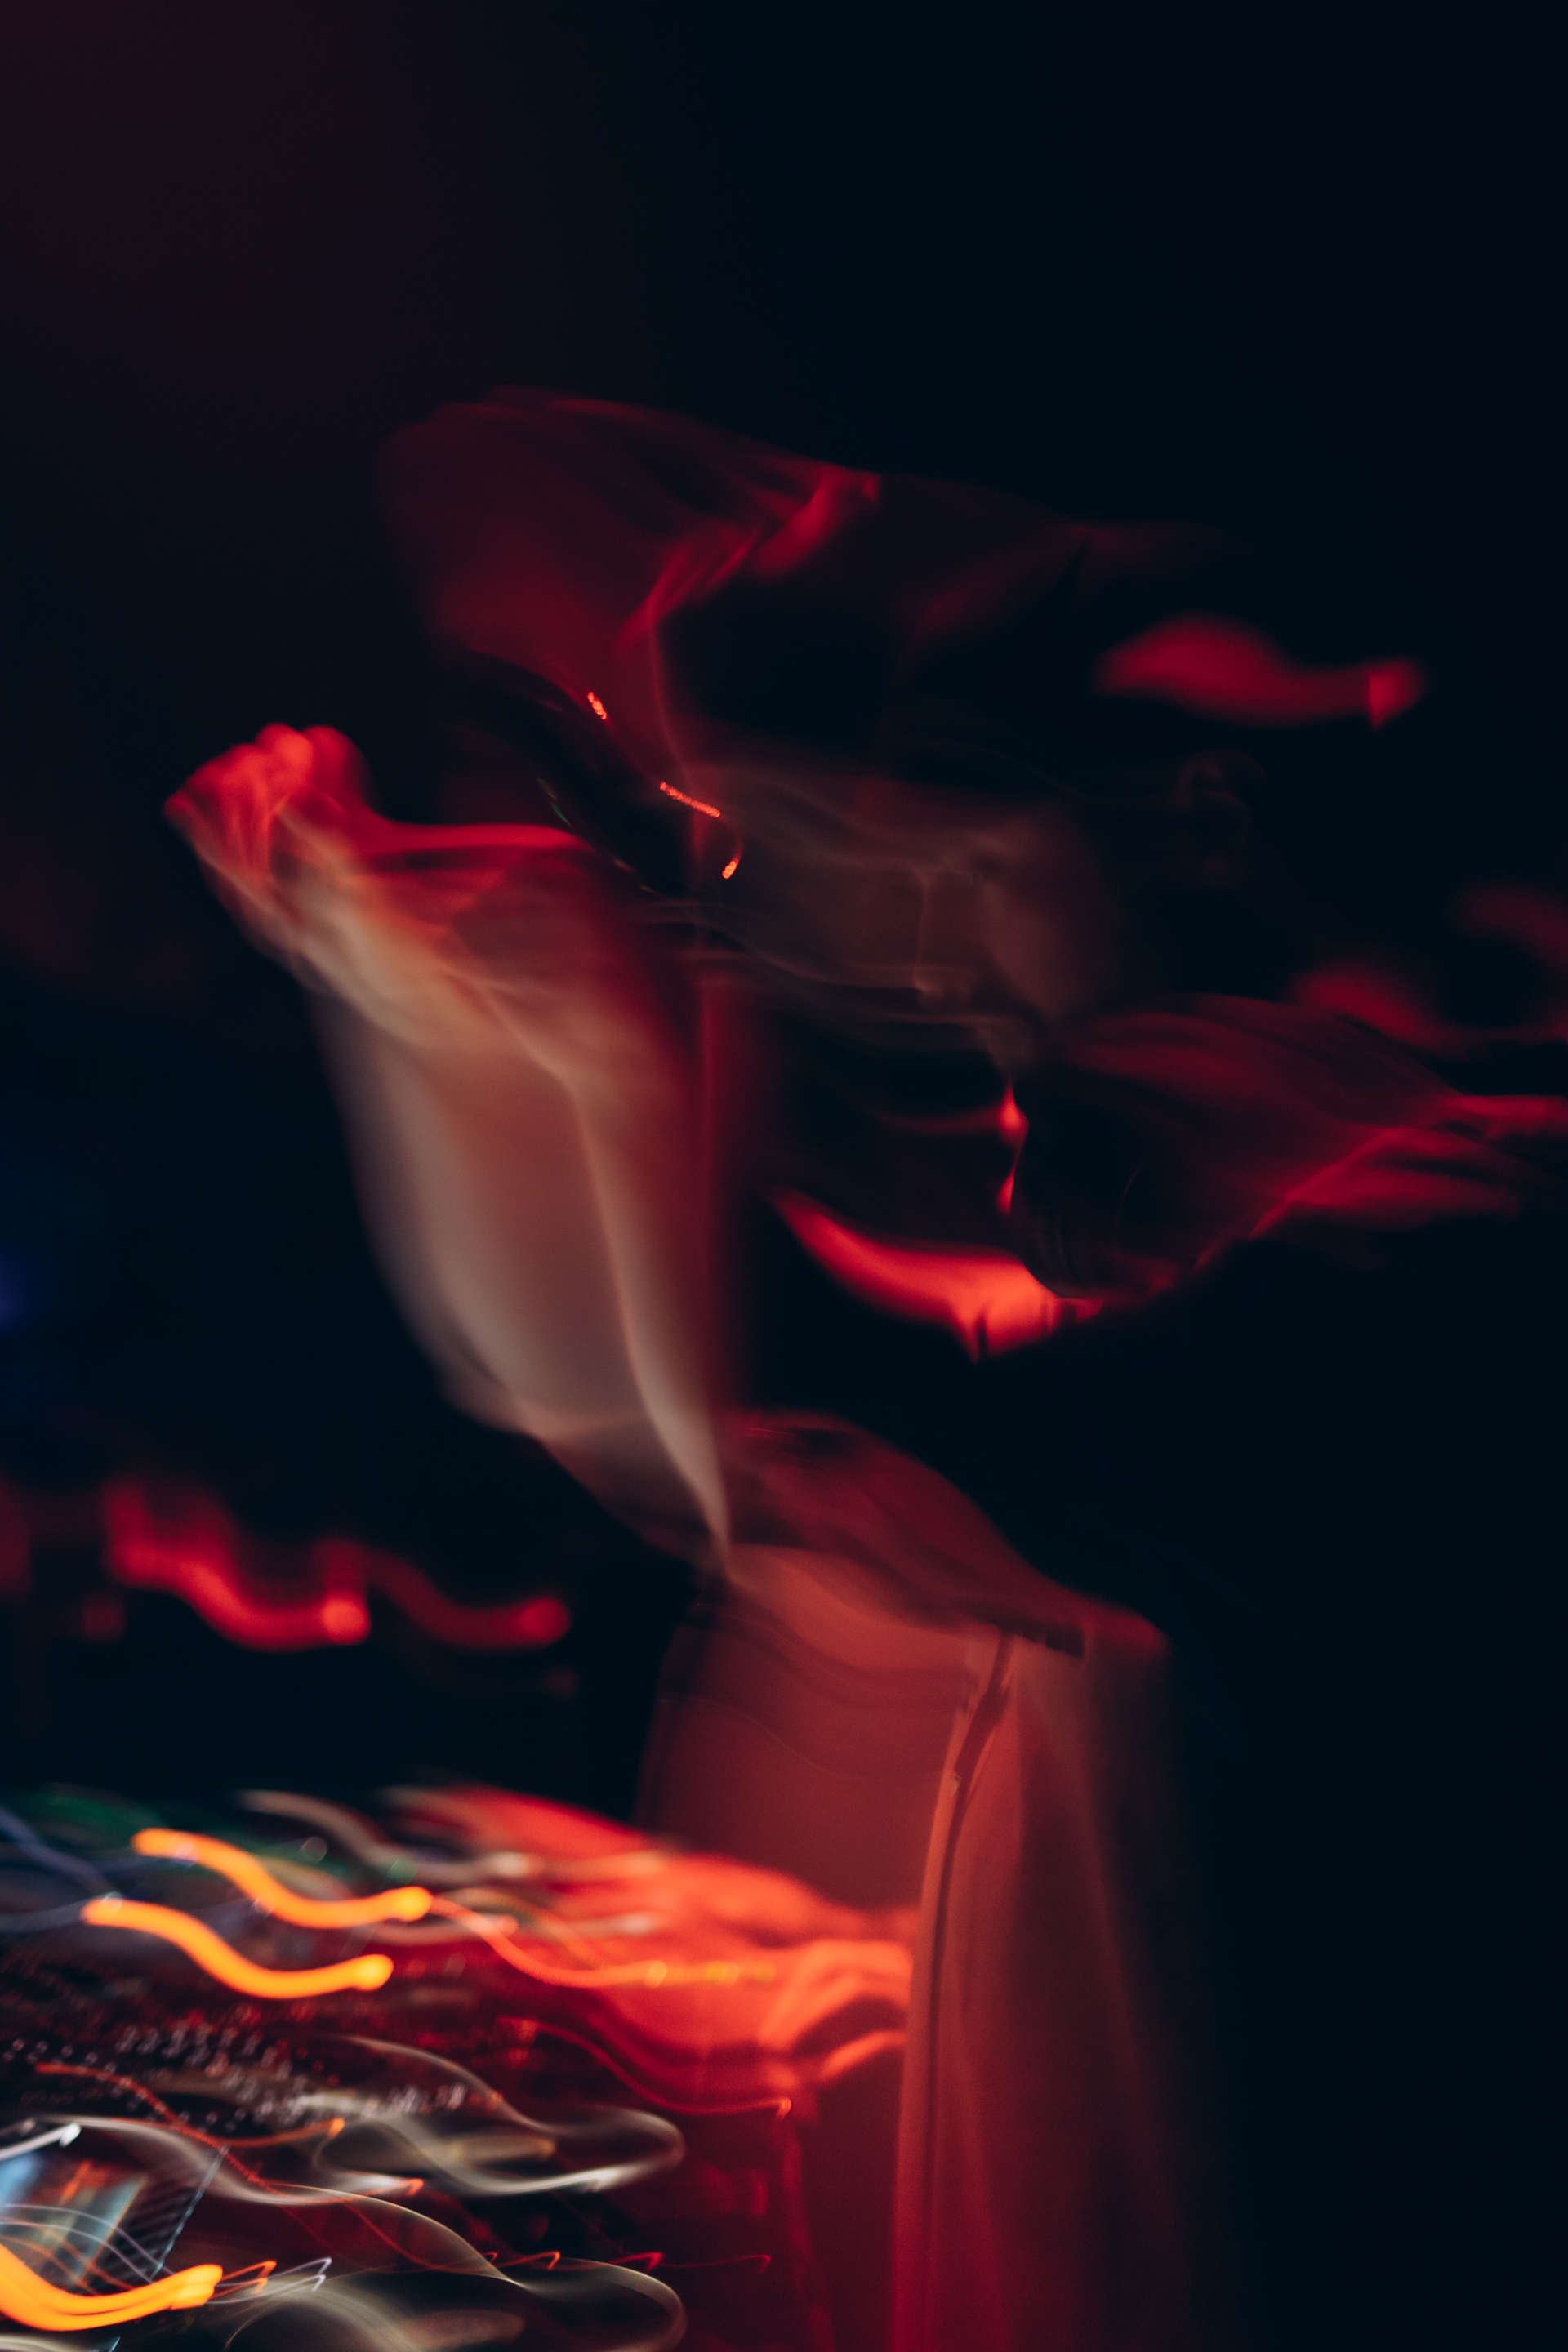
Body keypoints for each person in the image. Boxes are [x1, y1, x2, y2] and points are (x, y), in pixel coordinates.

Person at [171, 392, 1566, 2352]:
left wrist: (532, 989)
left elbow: (803, 1432)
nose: (885, 923)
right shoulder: (1028, 1207)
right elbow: (684, 1422)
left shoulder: (1363, 1200)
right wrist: (472, 985)